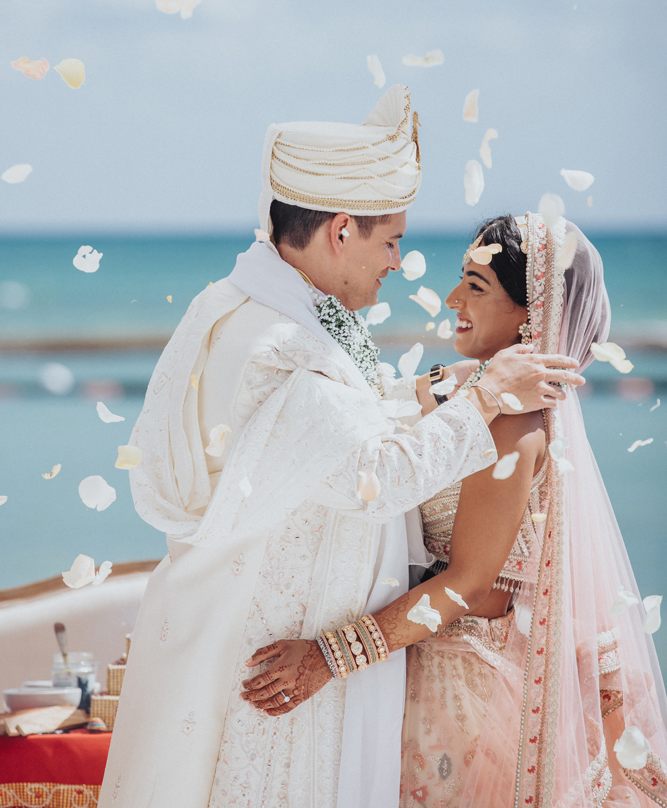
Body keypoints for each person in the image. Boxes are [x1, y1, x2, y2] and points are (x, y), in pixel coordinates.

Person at [98, 88, 582, 808]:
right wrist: (481, 396)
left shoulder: (231, 309)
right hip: (280, 669)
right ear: (341, 231)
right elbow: (371, 478)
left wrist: (416, 396)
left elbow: (308, 434)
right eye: (390, 240)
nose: (398, 261)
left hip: (284, 647)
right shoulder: (281, 346)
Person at [244, 212, 667, 808]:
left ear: (530, 315)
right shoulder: (479, 393)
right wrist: (465, 379)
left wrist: (324, 659)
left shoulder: (515, 424)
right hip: (432, 667)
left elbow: (469, 585)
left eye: (475, 285)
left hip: (469, 698)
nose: (450, 299)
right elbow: (382, 409)